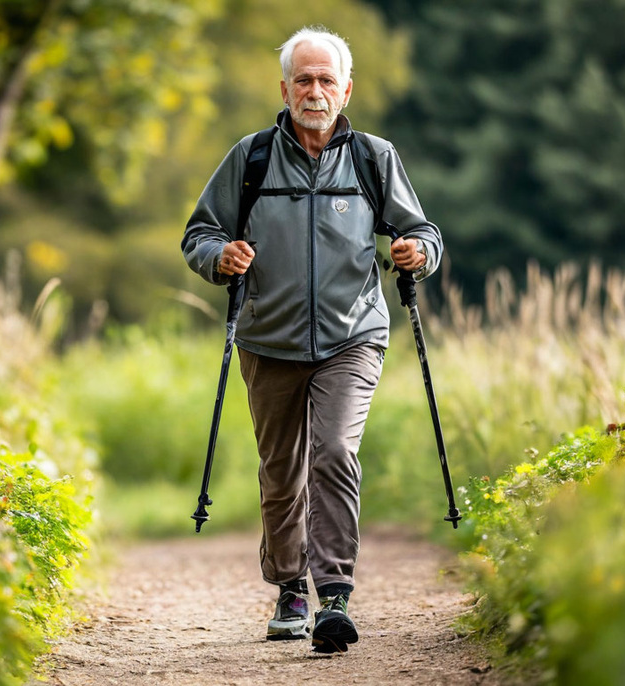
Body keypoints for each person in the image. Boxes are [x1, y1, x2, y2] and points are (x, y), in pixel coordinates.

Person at [181, 26, 443, 653]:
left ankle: (333, 595)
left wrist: (416, 252)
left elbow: (423, 232)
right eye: (304, 79)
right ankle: (289, 587)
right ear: (285, 88)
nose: (315, 91)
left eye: (327, 80)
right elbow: (198, 234)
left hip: (353, 337)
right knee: (281, 471)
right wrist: (221, 257)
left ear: (346, 88)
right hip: (267, 339)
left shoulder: (374, 158)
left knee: (333, 452)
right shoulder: (250, 158)